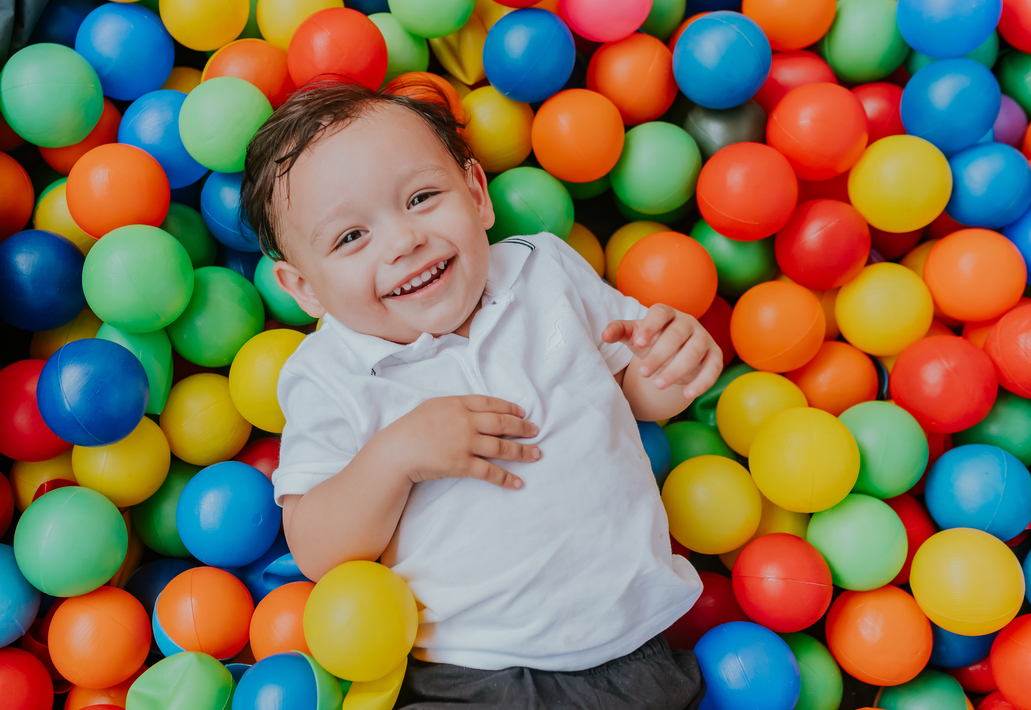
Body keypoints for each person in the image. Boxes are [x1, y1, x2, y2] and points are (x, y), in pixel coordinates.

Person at [240, 81, 723, 710]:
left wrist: (670, 365)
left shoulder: (544, 271)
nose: (403, 240)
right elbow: (316, 545)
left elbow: (633, 394)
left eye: (421, 198)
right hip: (474, 675)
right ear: (303, 288)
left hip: (634, 652)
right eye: (351, 238)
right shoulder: (329, 372)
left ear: (475, 193)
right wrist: (395, 456)